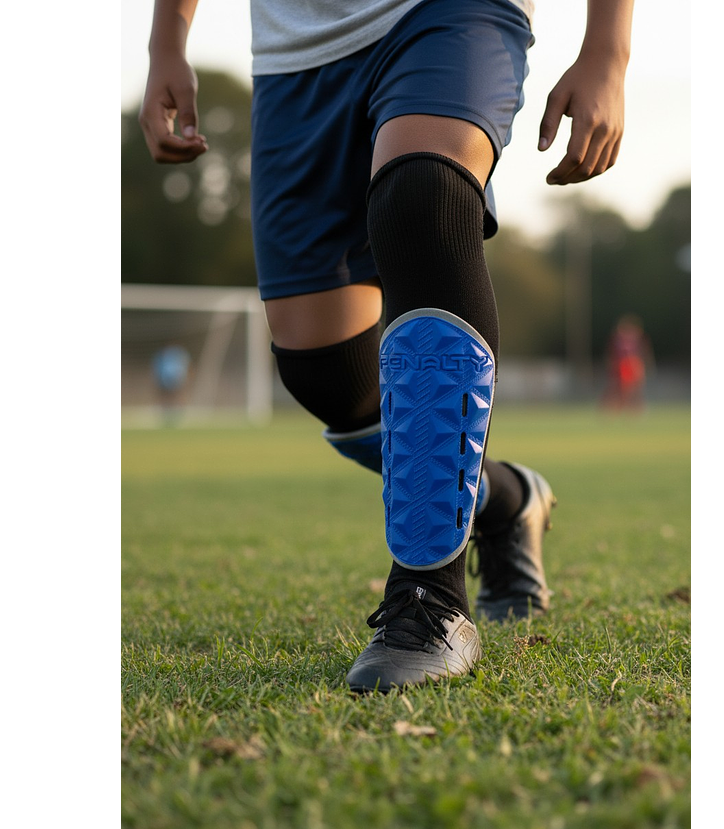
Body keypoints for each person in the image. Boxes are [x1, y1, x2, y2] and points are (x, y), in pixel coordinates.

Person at [139, 0, 635, 693]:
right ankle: (506, 499)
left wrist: (608, 50)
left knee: (424, 199)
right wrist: (168, 41)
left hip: (451, 15)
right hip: (296, 52)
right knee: (325, 376)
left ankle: (429, 601)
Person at [601, 314, 653, 411]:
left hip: (634, 363)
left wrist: (647, 364)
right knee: (620, 388)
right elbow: (611, 354)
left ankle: (637, 408)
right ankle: (615, 407)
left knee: (637, 388)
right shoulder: (617, 340)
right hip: (622, 365)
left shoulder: (638, 339)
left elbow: (644, 352)